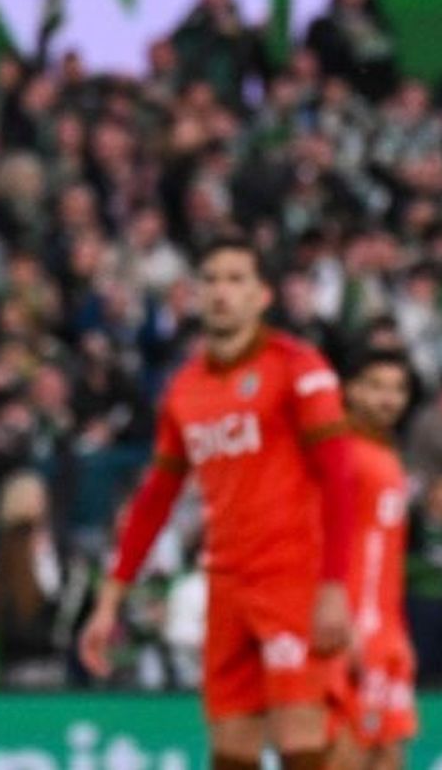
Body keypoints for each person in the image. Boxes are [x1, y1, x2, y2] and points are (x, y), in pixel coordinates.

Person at [78, 235, 357, 770]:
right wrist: (111, 597)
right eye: (210, 280)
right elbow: (155, 499)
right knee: (230, 748)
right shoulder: (185, 388)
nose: (221, 292)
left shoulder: (297, 367)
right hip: (226, 584)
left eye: (235, 279)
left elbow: (340, 478)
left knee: (302, 739)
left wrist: (335, 585)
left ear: (262, 295)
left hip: (292, 578)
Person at [328, 349, 418, 770]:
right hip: (353, 629)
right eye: (377, 386)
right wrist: (341, 619)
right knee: (345, 757)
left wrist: (396, 633)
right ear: (351, 390)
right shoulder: (341, 453)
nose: (389, 398)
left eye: (398, 389)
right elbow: (317, 539)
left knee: (389, 758)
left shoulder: (387, 456)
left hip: (387, 635)